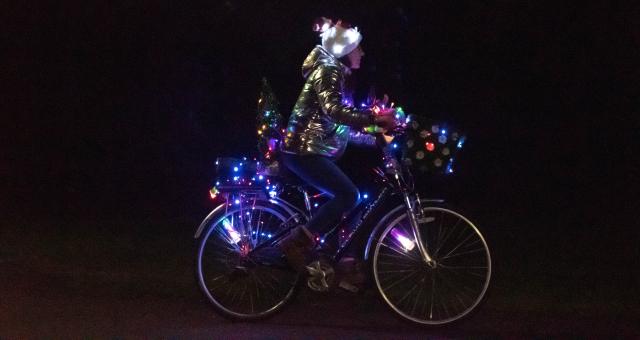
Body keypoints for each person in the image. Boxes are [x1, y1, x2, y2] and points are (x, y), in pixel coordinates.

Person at [279, 18, 397, 272]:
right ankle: (295, 244)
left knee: (347, 196)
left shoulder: (335, 74)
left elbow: (340, 128)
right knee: (349, 194)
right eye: (358, 47)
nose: (362, 53)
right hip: (303, 150)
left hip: (311, 149)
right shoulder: (329, 71)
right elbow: (334, 111)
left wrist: (376, 137)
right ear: (344, 50)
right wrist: (374, 119)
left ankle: (329, 256)